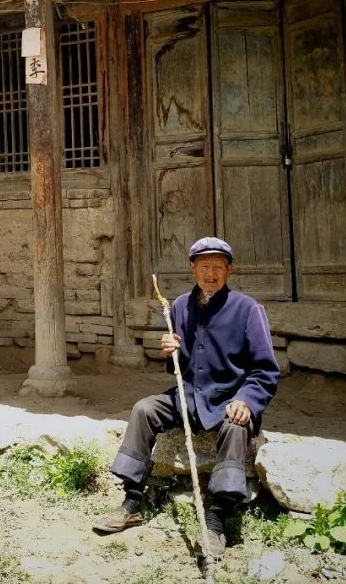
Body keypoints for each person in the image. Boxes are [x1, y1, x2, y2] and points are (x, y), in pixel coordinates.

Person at [91, 236, 280, 556]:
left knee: (235, 426)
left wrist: (247, 400)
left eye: (218, 268)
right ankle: (132, 501)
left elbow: (265, 371)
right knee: (143, 409)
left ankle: (218, 519)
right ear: (192, 269)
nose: (211, 274)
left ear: (229, 271)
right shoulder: (178, 306)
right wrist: (171, 353)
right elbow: (179, 368)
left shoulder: (249, 309)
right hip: (189, 396)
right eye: (204, 266)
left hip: (230, 399)